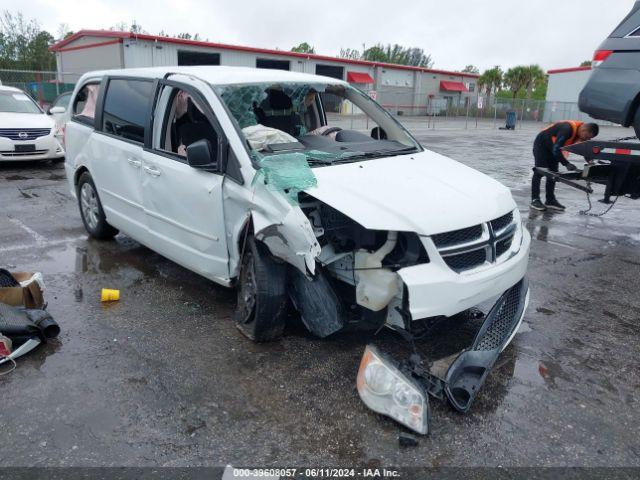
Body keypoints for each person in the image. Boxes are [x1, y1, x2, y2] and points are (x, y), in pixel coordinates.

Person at [530, 121, 599, 211]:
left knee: (553, 173)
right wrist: (566, 163)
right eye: (586, 137)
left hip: (553, 147)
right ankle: (535, 199)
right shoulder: (566, 129)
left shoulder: (581, 133)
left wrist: (590, 161)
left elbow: (585, 149)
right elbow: (556, 150)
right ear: (584, 129)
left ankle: (550, 200)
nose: (586, 139)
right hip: (542, 144)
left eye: (589, 138)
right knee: (540, 171)